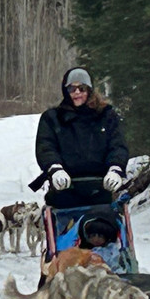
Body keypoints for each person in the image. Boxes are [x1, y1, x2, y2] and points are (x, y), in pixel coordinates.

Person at [32, 68, 128, 208]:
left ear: (89, 90)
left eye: (82, 88)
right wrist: (54, 168)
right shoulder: (52, 118)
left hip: (101, 190)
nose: (77, 93)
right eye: (72, 88)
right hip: (64, 190)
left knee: (107, 223)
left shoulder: (106, 115)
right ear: (66, 91)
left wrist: (115, 168)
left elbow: (118, 145)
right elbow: (46, 146)